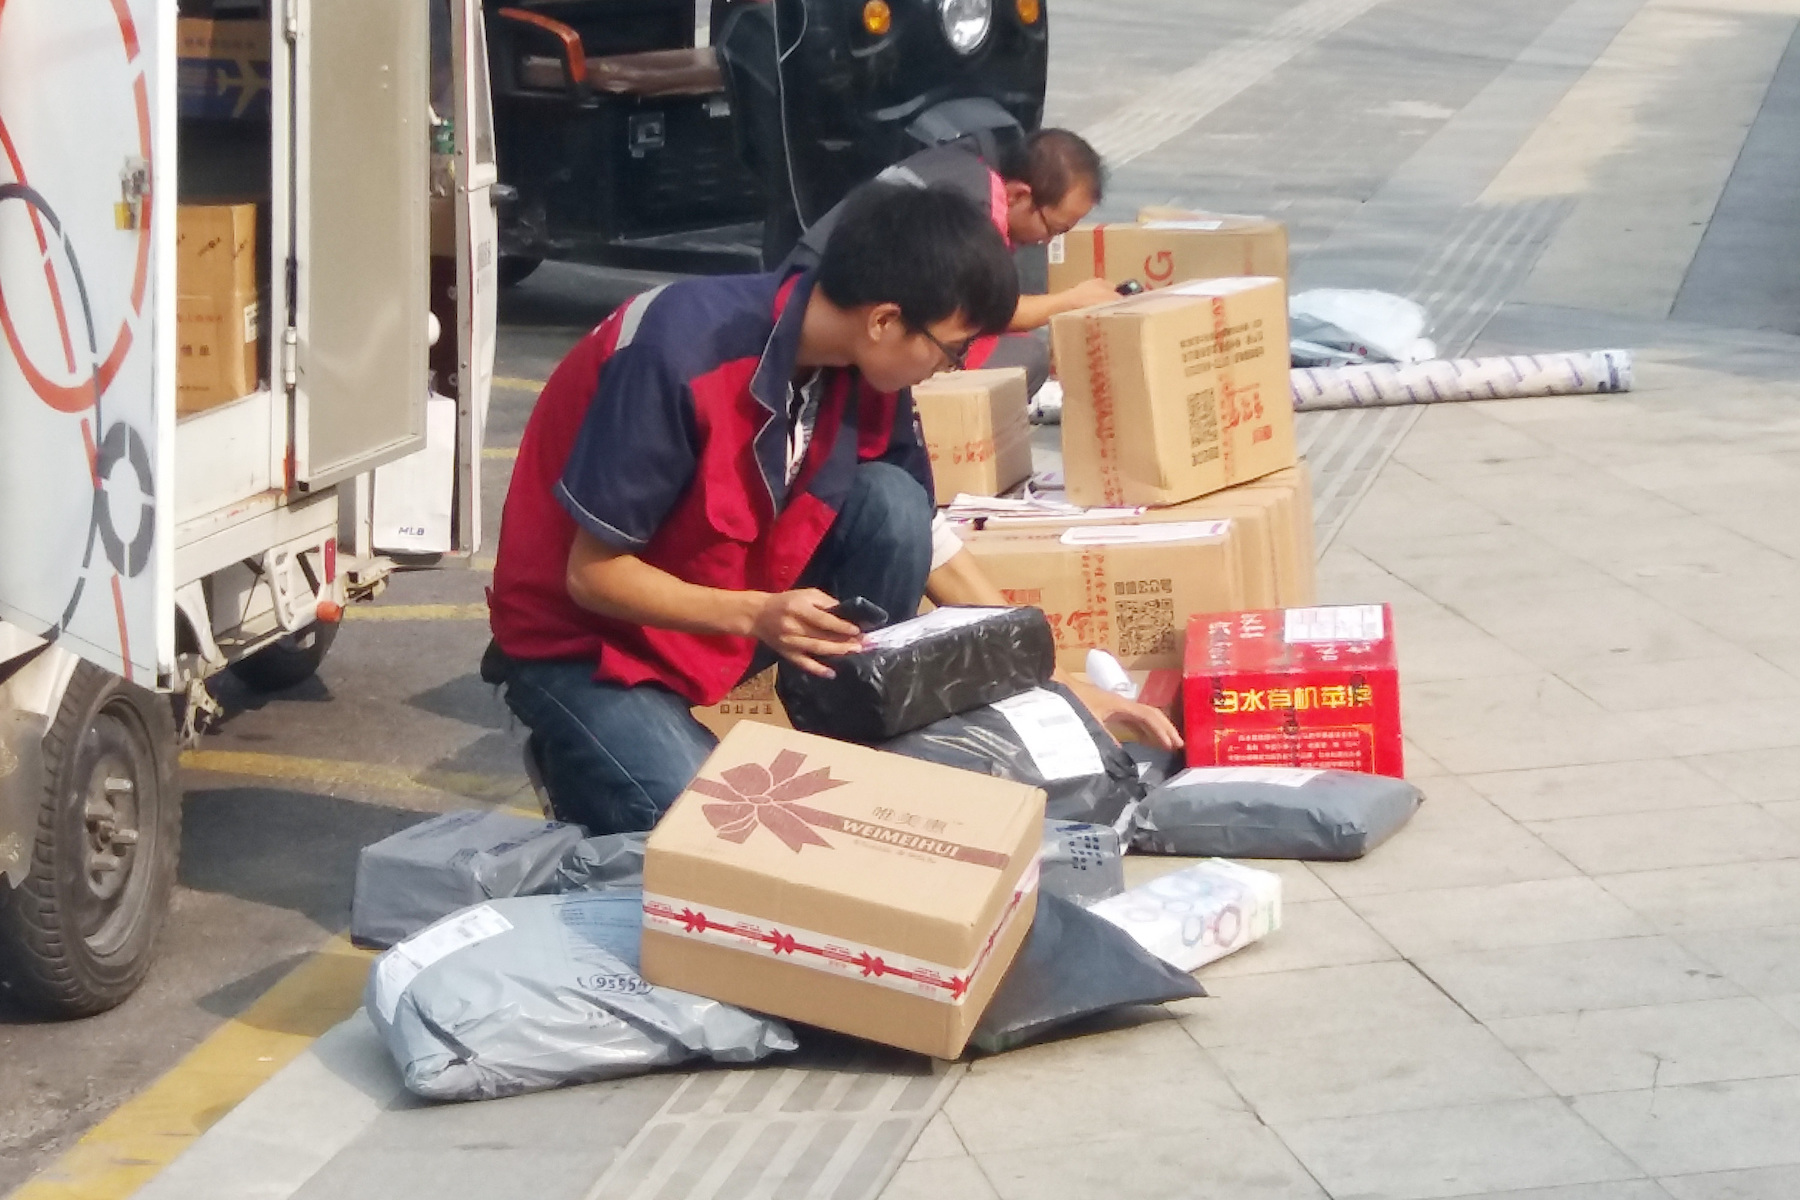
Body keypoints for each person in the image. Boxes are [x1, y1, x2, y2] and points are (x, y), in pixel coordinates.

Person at [484, 183, 1181, 835]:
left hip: (734, 603)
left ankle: (844, 729)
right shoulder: (678, 356)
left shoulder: (859, 368)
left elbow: (926, 537)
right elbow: (592, 576)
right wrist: (758, 614)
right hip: (590, 641)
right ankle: (577, 754)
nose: (953, 369)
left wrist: (1053, 681)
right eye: (953, 350)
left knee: (892, 503)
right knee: (715, 830)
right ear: (884, 320)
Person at [784, 129, 1121, 396]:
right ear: (1020, 195)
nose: (1048, 242)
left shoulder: (964, 166)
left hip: (817, 291)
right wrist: (1070, 302)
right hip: (839, 315)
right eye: (1053, 229)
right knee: (1023, 357)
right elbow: (984, 313)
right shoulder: (973, 206)